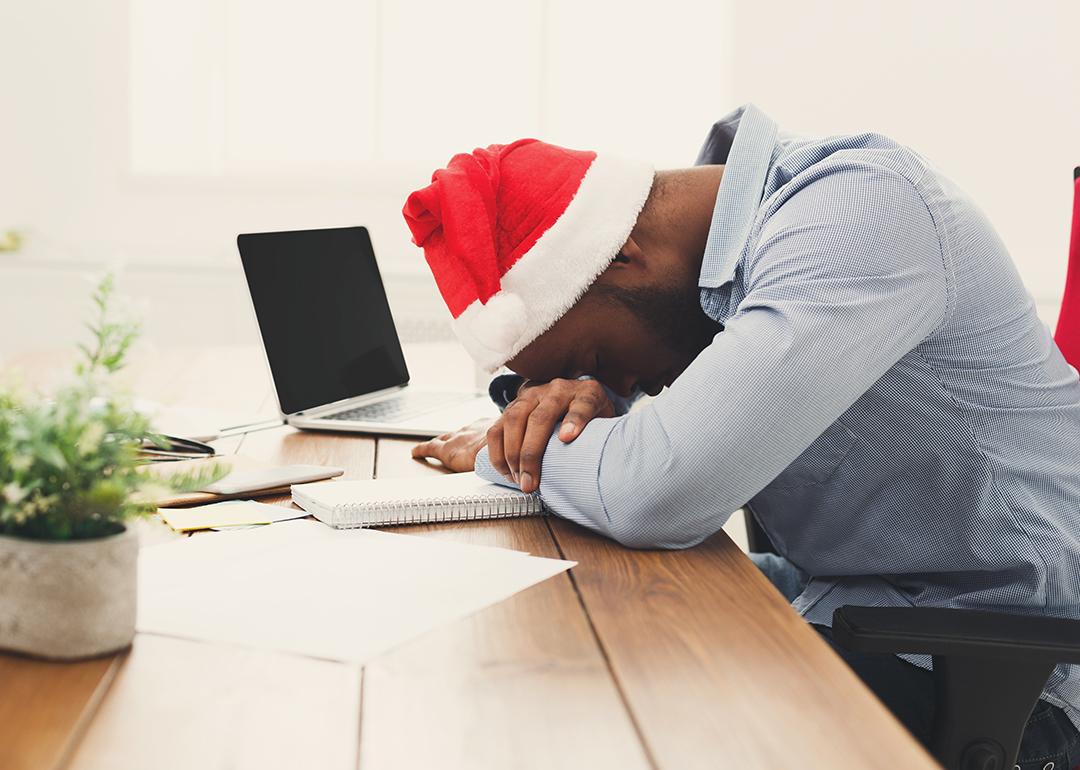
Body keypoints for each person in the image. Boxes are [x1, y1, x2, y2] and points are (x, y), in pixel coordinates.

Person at [402, 105, 1080, 764]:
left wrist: (509, 452)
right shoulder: (697, 264)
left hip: (1002, 667)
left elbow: (657, 490)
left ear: (621, 258)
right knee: (556, 641)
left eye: (596, 364)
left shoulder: (860, 216)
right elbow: (643, 455)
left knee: (620, 721)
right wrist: (563, 404)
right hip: (853, 607)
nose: (620, 392)